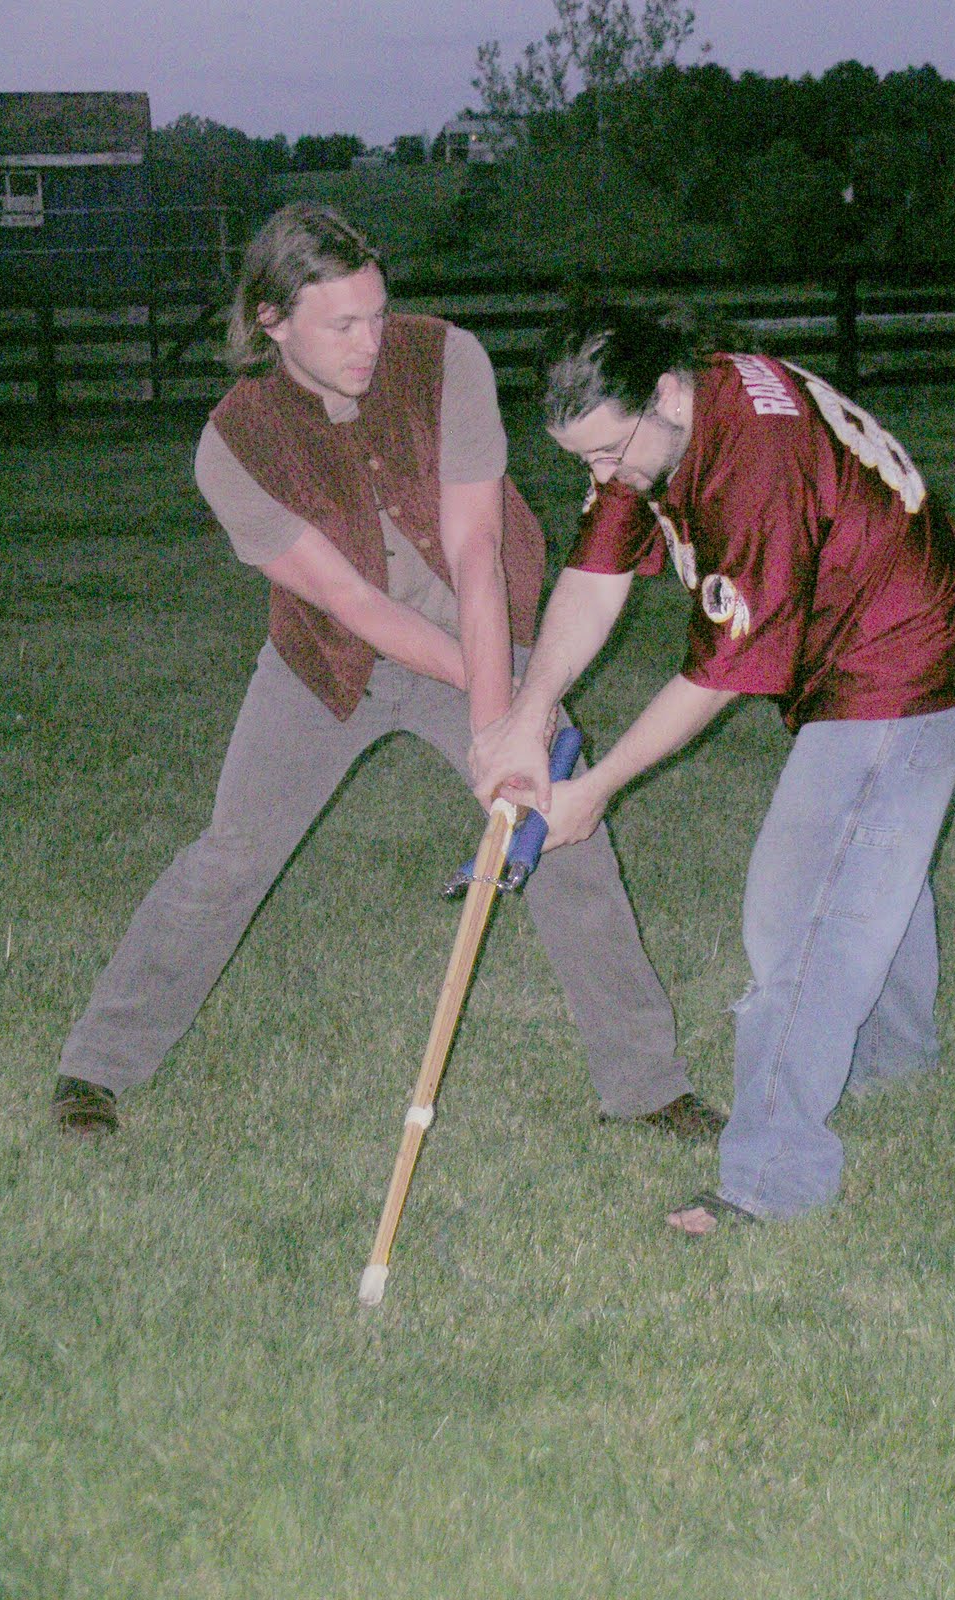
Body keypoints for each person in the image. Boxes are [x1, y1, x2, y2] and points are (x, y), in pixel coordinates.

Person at [51, 205, 723, 1143]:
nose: (372, 340)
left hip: (487, 634)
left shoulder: (447, 360)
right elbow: (358, 609)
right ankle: (98, 1065)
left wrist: (506, 727)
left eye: (377, 314)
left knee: (562, 834)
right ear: (272, 320)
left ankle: (649, 1087)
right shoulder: (232, 446)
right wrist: (504, 727)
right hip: (329, 661)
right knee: (233, 852)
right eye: (343, 324)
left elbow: (477, 550)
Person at [470, 306, 955, 1232]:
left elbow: (716, 675)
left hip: (900, 662)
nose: (603, 480)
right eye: (582, 461)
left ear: (666, 394)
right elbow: (594, 582)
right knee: (871, 862)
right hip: (874, 646)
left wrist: (597, 788)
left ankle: (770, 1180)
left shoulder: (754, 457)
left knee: (800, 906)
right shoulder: (667, 418)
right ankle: (897, 1060)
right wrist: (527, 714)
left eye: (607, 453)